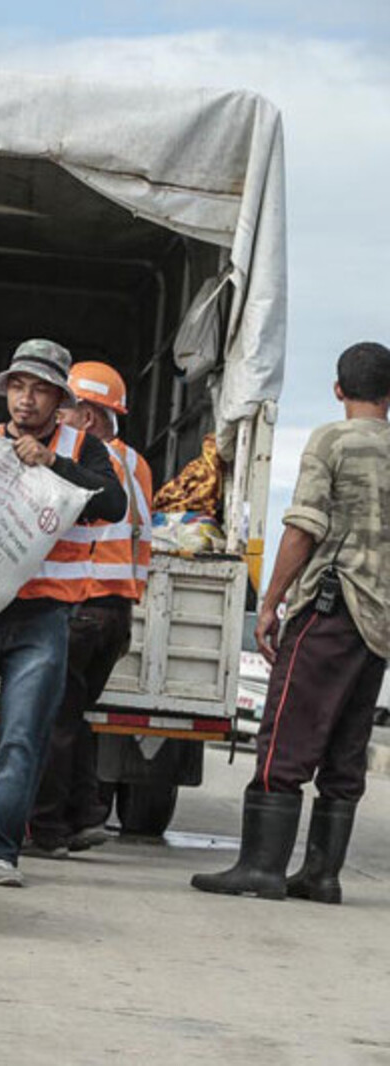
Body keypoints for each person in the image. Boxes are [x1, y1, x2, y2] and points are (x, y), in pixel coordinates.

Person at [0, 339, 126, 887]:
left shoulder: (81, 446)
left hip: (43, 618)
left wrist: (53, 463)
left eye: (39, 389)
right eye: (17, 386)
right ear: (5, 391)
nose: (25, 400)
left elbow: (112, 503)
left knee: (23, 735)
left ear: (60, 399)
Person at [192, 342, 390, 904]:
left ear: (337, 389)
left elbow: (303, 527)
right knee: (346, 750)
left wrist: (274, 600)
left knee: (286, 737)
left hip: (330, 609)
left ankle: (261, 867)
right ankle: (322, 875)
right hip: (378, 626)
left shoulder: (332, 439)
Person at [26, 360, 153, 859]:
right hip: (117, 611)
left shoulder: (86, 468)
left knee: (54, 719)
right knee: (73, 716)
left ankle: (49, 828)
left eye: (66, 410)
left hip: (83, 602)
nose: (58, 421)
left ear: (90, 416)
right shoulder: (135, 462)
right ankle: (87, 814)